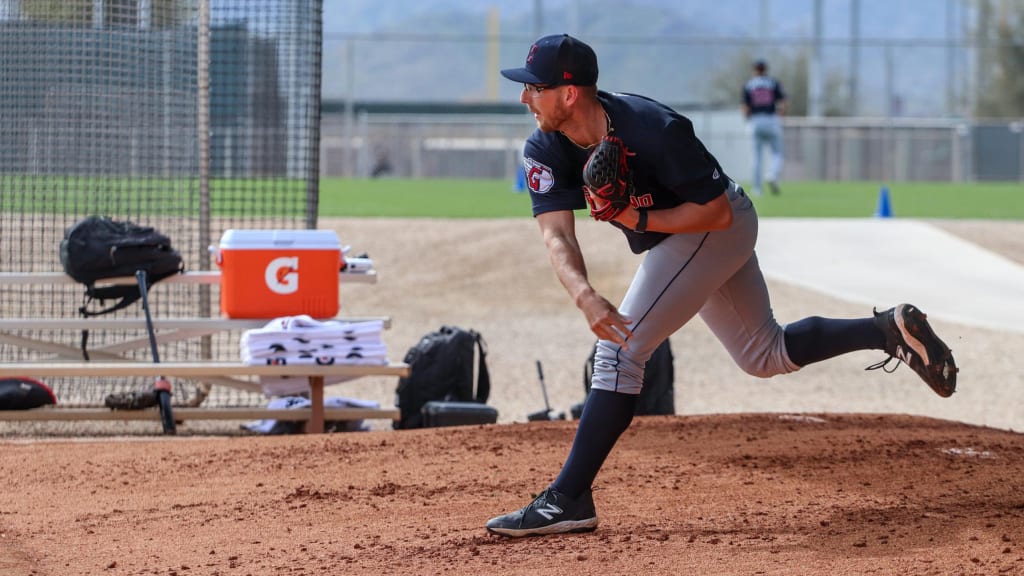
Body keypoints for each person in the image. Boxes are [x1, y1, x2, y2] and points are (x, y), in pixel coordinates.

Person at [487, 34, 958, 538]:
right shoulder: (543, 146)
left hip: (716, 223)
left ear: (569, 93)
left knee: (619, 354)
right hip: (688, 234)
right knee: (763, 353)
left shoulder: (653, 128)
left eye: (533, 87)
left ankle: (569, 497)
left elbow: (712, 211)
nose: (523, 98)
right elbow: (557, 235)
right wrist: (584, 293)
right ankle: (885, 330)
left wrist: (633, 214)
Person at [742, 59, 785, 196]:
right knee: (777, 153)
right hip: (771, 119)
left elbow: (745, 107)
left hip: (755, 120)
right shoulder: (772, 82)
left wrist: (749, 120)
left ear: (755, 70)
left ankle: (757, 189)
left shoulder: (749, 85)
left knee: (756, 157)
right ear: (765, 69)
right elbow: (783, 102)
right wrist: (779, 115)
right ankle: (772, 175)